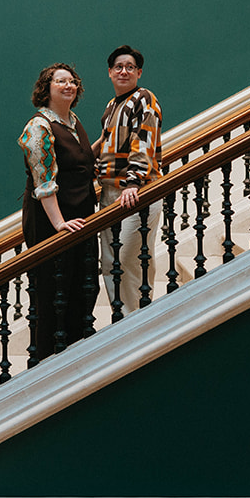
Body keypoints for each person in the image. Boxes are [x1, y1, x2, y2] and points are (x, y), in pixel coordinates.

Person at [18, 63, 99, 363]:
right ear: (46, 88)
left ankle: (77, 354)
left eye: (72, 81)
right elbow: (44, 180)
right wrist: (59, 224)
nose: (68, 86)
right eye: (60, 81)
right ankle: (48, 361)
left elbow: (80, 161)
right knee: (53, 292)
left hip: (81, 215)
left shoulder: (73, 122)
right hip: (53, 221)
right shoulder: (38, 126)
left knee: (82, 285)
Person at [92, 45, 163, 315]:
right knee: (110, 263)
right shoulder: (111, 106)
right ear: (110, 73)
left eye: (130, 67)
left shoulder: (144, 98)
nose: (124, 71)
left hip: (137, 190)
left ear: (139, 73)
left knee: (128, 260)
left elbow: (143, 141)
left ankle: (138, 321)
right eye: (118, 67)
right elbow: (106, 142)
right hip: (109, 194)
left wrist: (133, 183)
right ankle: (121, 319)